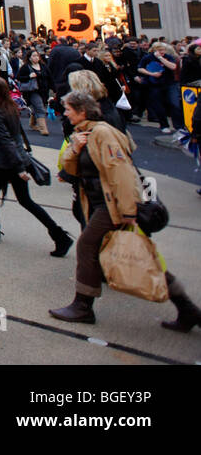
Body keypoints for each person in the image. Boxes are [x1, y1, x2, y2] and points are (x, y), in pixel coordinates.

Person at [49, 91, 201, 331]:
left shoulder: (103, 133)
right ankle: (188, 309)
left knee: (87, 245)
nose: (65, 113)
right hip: (100, 202)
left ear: (82, 111)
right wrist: (74, 149)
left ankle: (83, 305)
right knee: (145, 257)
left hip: (112, 204)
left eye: (68, 109)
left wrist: (128, 210)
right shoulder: (82, 134)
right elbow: (71, 170)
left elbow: (122, 172)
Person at [0, 76, 73, 255]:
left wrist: (19, 167)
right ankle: (58, 234)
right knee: (23, 200)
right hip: (15, 158)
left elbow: (5, 141)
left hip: (5, 161)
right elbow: (14, 137)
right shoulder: (10, 107)